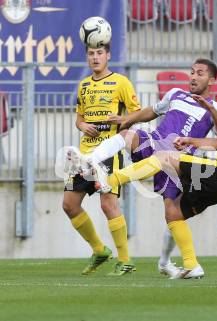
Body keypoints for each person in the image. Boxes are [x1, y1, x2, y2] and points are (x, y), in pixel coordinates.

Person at [87, 70, 217, 279]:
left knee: (165, 158)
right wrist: (191, 141)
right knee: (174, 212)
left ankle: (110, 180)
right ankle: (192, 265)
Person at [67, 58, 217, 278]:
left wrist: (209, 107)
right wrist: (126, 119)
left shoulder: (216, 108)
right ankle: (90, 160)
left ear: (211, 80)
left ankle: (172, 263)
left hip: (176, 160)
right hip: (155, 142)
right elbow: (151, 112)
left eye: (199, 73)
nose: (193, 77)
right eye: (191, 72)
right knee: (127, 135)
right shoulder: (175, 94)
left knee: (173, 213)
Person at [62, 43, 141, 276]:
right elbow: (79, 119)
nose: (95, 58)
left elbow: (138, 114)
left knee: (108, 203)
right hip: (84, 154)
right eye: (91, 54)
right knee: (69, 204)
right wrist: (83, 125)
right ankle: (99, 250)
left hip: (109, 152)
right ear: (87, 57)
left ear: (108, 55)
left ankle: (125, 260)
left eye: (99, 53)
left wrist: (122, 119)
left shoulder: (121, 82)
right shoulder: (84, 85)